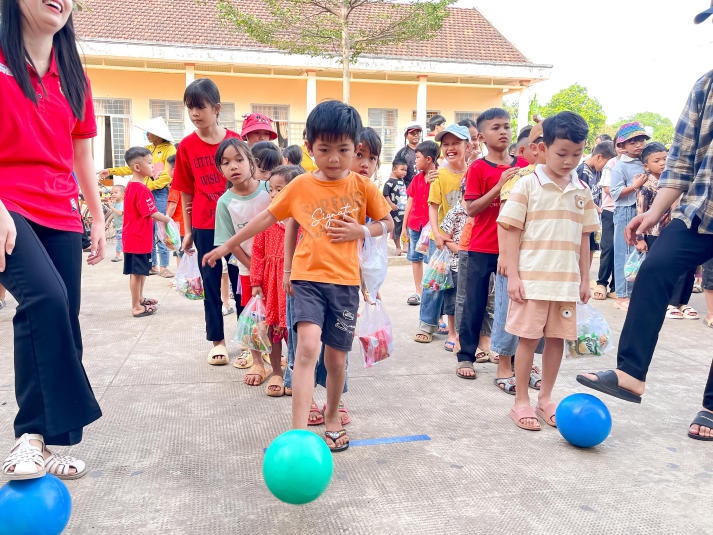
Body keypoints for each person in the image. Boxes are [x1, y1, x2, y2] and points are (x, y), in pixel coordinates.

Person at [203, 100, 393, 452]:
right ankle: (298, 431)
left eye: (343, 150)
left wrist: (362, 232)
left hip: (345, 284)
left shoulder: (363, 187)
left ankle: (333, 415)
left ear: (355, 149)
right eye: (324, 150)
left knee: (336, 358)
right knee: (306, 347)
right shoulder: (301, 185)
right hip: (307, 280)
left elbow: (388, 224)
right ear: (309, 148)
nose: (334, 158)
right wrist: (225, 245)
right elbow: (266, 218)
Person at [578, 3, 713, 441]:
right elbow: (681, 160)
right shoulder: (706, 86)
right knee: (654, 270)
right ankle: (631, 374)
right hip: (700, 212)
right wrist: (654, 213)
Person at [0, 0, 104, 480]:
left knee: (66, 313)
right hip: (7, 205)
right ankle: (29, 436)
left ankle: (55, 442)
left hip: (61, 210)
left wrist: (97, 217)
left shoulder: (74, 76)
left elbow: (81, 154)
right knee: (44, 299)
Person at [499, 111, 599, 431]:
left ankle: (545, 398)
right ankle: (521, 402)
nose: (569, 161)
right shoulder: (527, 184)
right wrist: (513, 275)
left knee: (556, 341)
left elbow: (585, 239)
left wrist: (586, 278)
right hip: (532, 281)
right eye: (561, 153)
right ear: (543, 148)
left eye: (577, 154)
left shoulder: (582, 190)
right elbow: (510, 229)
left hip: (565, 283)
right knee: (528, 340)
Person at [171, 78, 241, 366]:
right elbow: (186, 191)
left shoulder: (234, 140)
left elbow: (247, 181)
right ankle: (218, 342)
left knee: (241, 283)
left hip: (237, 224)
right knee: (211, 285)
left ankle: (249, 341)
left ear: (216, 108)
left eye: (200, 107)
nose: (195, 114)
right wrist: (187, 231)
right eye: (190, 108)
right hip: (204, 224)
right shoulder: (186, 146)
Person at [456, 108, 529, 379]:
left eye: (507, 126)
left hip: (513, 248)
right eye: (496, 127)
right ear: (483, 136)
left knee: (514, 304)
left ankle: (510, 357)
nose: (504, 132)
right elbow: (472, 209)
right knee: (473, 302)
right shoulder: (477, 168)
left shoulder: (523, 167)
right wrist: (498, 187)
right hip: (481, 246)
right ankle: (466, 356)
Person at [213, 138, 272, 376]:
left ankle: (283, 363)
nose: (233, 167)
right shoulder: (225, 203)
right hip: (249, 270)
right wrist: (254, 267)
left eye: (239, 160)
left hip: (280, 266)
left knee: (280, 315)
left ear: (251, 162)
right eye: (226, 163)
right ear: (220, 169)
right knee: (254, 317)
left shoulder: (269, 190)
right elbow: (231, 242)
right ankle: (258, 362)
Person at [413, 124, 470, 344]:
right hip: (444, 239)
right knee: (435, 282)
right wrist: (437, 234)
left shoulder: (473, 171)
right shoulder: (440, 175)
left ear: (468, 145)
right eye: (446, 144)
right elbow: (433, 206)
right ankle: (427, 324)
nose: (450, 148)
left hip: (467, 241)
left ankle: (459, 328)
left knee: (460, 287)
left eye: (456, 143)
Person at [99, 117, 177, 278]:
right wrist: (111, 171)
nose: (147, 135)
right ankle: (152, 264)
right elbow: (131, 168)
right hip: (144, 191)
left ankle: (164, 266)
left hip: (158, 192)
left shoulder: (169, 150)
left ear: (158, 134)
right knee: (149, 227)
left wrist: (149, 187)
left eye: (150, 132)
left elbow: (167, 175)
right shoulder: (147, 149)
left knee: (160, 226)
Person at [252, 165, 303, 397]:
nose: (273, 195)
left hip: (297, 285)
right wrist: (255, 283)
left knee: (296, 332)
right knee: (273, 330)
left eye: (279, 190)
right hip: (272, 284)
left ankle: (295, 373)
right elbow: (258, 252)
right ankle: (276, 371)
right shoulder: (267, 220)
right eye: (271, 189)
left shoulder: (305, 221)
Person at [634, 142, 699, 320]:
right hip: (655, 234)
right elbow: (641, 211)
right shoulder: (647, 186)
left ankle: (682, 302)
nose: (663, 163)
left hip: (679, 230)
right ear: (646, 165)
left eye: (665, 159)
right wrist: (639, 237)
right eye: (657, 160)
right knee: (663, 269)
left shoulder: (679, 182)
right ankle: (669, 303)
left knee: (687, 269)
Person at [121, 147, 172, 318]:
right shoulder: (142, 189)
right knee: (137, 273)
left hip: (138, 237)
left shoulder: (134, 186)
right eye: (149, 163)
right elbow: (152, 213)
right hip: (137, 238)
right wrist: (168, 219)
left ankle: (140, 298)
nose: (153, 167)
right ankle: (136, 306)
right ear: (137, 167)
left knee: (142, 271)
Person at [610, 122, 651, 311]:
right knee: (624, 254)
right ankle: (622, 295)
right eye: (633, 141)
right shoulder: (620, 166)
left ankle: (635, 293)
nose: (638, 144)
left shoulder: (645, 162)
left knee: (640, 254)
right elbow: (615, 193)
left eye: (641, 140)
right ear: (622, 146)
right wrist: (634, 187)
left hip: (643, 211)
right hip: (626, 211)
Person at [401, 140, 439, 306]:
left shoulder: (439, 176)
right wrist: (403, 227)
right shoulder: (416, 179)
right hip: (415, 224)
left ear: (429, 159)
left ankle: (431, 292)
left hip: (431, 227)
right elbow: (410, 202)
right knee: (415, 258)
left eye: (417, 158)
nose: (415, 161)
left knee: (432, 261)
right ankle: (419, 291)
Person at [576, 140, 617, 269]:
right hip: (582, 218)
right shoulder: (583, 171)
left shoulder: (598, 172)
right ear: (599, 157)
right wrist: (600, 210)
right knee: (583, 249)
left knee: (591, 247)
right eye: (606, 163)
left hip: (592, 219)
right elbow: (580, 197)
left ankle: (585, 278)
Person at [382, 157, 408, 254]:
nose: (404, 172)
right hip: (395, 212)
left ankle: (405, 246)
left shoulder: (402, 181)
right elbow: (385, 195)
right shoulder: (389, 183)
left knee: (405, 228)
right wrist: (391, 204)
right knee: (396, 229)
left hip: (404, 210)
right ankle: (398, 247)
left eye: (405, 170)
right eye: (402, 169)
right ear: (394, 169)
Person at [165, 154, 184, 269]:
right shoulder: (185, 183)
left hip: (178, 227)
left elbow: (172, 205)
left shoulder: (175, 185)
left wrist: (165, 220)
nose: (167, 170)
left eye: (168, 168)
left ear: (174, 170)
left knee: (179, 253)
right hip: (186, 225)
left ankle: (182, 280)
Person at [394, 121, 422, 187]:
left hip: (424, 188)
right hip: (407, 188)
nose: (416, 135)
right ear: (406, 135)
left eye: (418, 133)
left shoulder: (426, 150)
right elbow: (395, 173)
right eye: (412, 133)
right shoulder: (402, 153)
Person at [107, 185, 125, 262]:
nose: (113, 194)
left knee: (119, 241)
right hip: (118, 227)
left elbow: (120, 213)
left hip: (123, 227)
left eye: (116, 192)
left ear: (123, 195)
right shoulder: (115, 204)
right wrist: (108, 221)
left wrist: (111, 207)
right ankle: (127, 253)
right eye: (112, 193)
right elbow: (113, 214)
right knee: (121, 241)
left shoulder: (122, 203)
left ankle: (118, 256)